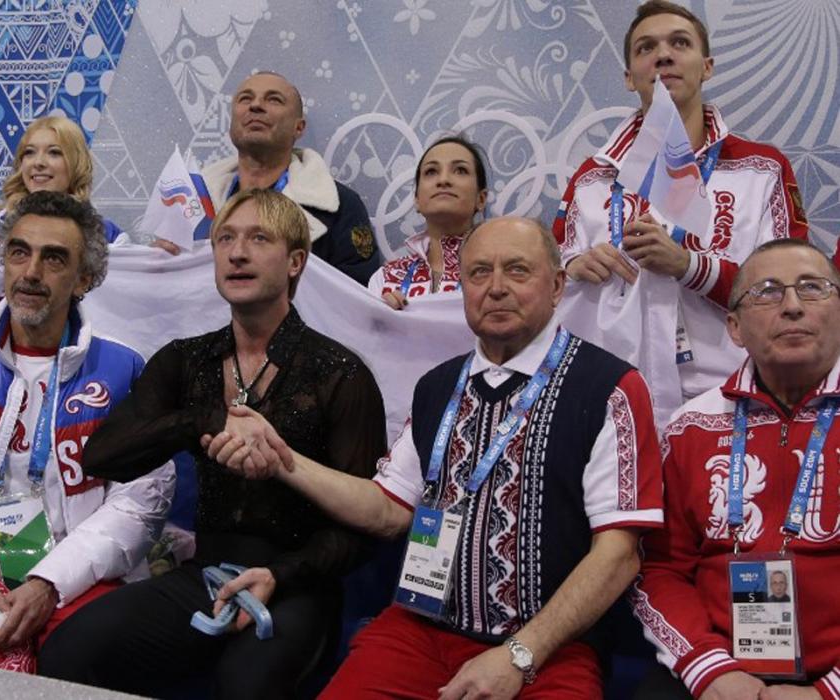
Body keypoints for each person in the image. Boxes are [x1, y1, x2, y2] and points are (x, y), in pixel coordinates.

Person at [205, 216, 664, 698]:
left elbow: (618, 555)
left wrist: (519, 653)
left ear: (556, 286)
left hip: (548, 649)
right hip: (420, 630)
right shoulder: (437, 386)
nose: (497, 288)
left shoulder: (611, 388)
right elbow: (387, 509)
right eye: (479, 272)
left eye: (518, 270)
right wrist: (284, 461)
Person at [37, 189, 387, 699]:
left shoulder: (340, 372)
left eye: (258, 239)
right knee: (67, 651)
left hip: (298, 586)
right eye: (226, 239)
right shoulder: (186, 360)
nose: (237, 253)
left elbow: (364, 529)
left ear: (295, 261)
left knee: (244, 685)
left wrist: (280, 574)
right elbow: (103, 456)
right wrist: (202, 420)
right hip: (204, 576)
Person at [553, 0, 808, 411]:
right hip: (612, 398)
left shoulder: (761, 169)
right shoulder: (591, 178)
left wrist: (689, 267)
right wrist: (574, 269)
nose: (663, 55)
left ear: (706, 67)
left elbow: (792, 287)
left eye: (680, 43)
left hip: (729, 396)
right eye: (646, 48)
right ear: (629, 77)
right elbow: (544, 286)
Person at [0, 191, 172, 672]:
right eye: (19, 252)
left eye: (54, 258)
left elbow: (142, 503)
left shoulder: (123, 370)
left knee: (84, 651)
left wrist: (50, 581)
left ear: (85, 278)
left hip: (73, 568)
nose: (31, 272)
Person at [632, 238, 840, 699]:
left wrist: (828, 692)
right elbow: (660, 569)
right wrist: (708, 669)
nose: (792, 306)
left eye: (813, 288)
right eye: (766, 292)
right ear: (735, 327)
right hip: (720, 670)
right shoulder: (689, 427)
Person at [156, 71, 380, 286]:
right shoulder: (193, 201)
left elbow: (354, 298)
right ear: (232, 122)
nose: (255, 105)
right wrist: (161, 264)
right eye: (245, 99)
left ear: (298, 127)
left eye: (274, 100)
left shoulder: (340, 205)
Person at [0, 116, 126, 325]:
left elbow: (124, 316)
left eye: (54, 152)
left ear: (76, 162)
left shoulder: (109, 238)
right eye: (29, 152)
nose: (38, 162)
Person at [368, 135, 488, 309]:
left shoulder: (499, 275)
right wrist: (381, 319)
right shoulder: (386, 279)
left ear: (481, 199)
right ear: (417, 200)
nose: (443, 180)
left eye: (460, 170)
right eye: (431, 171)